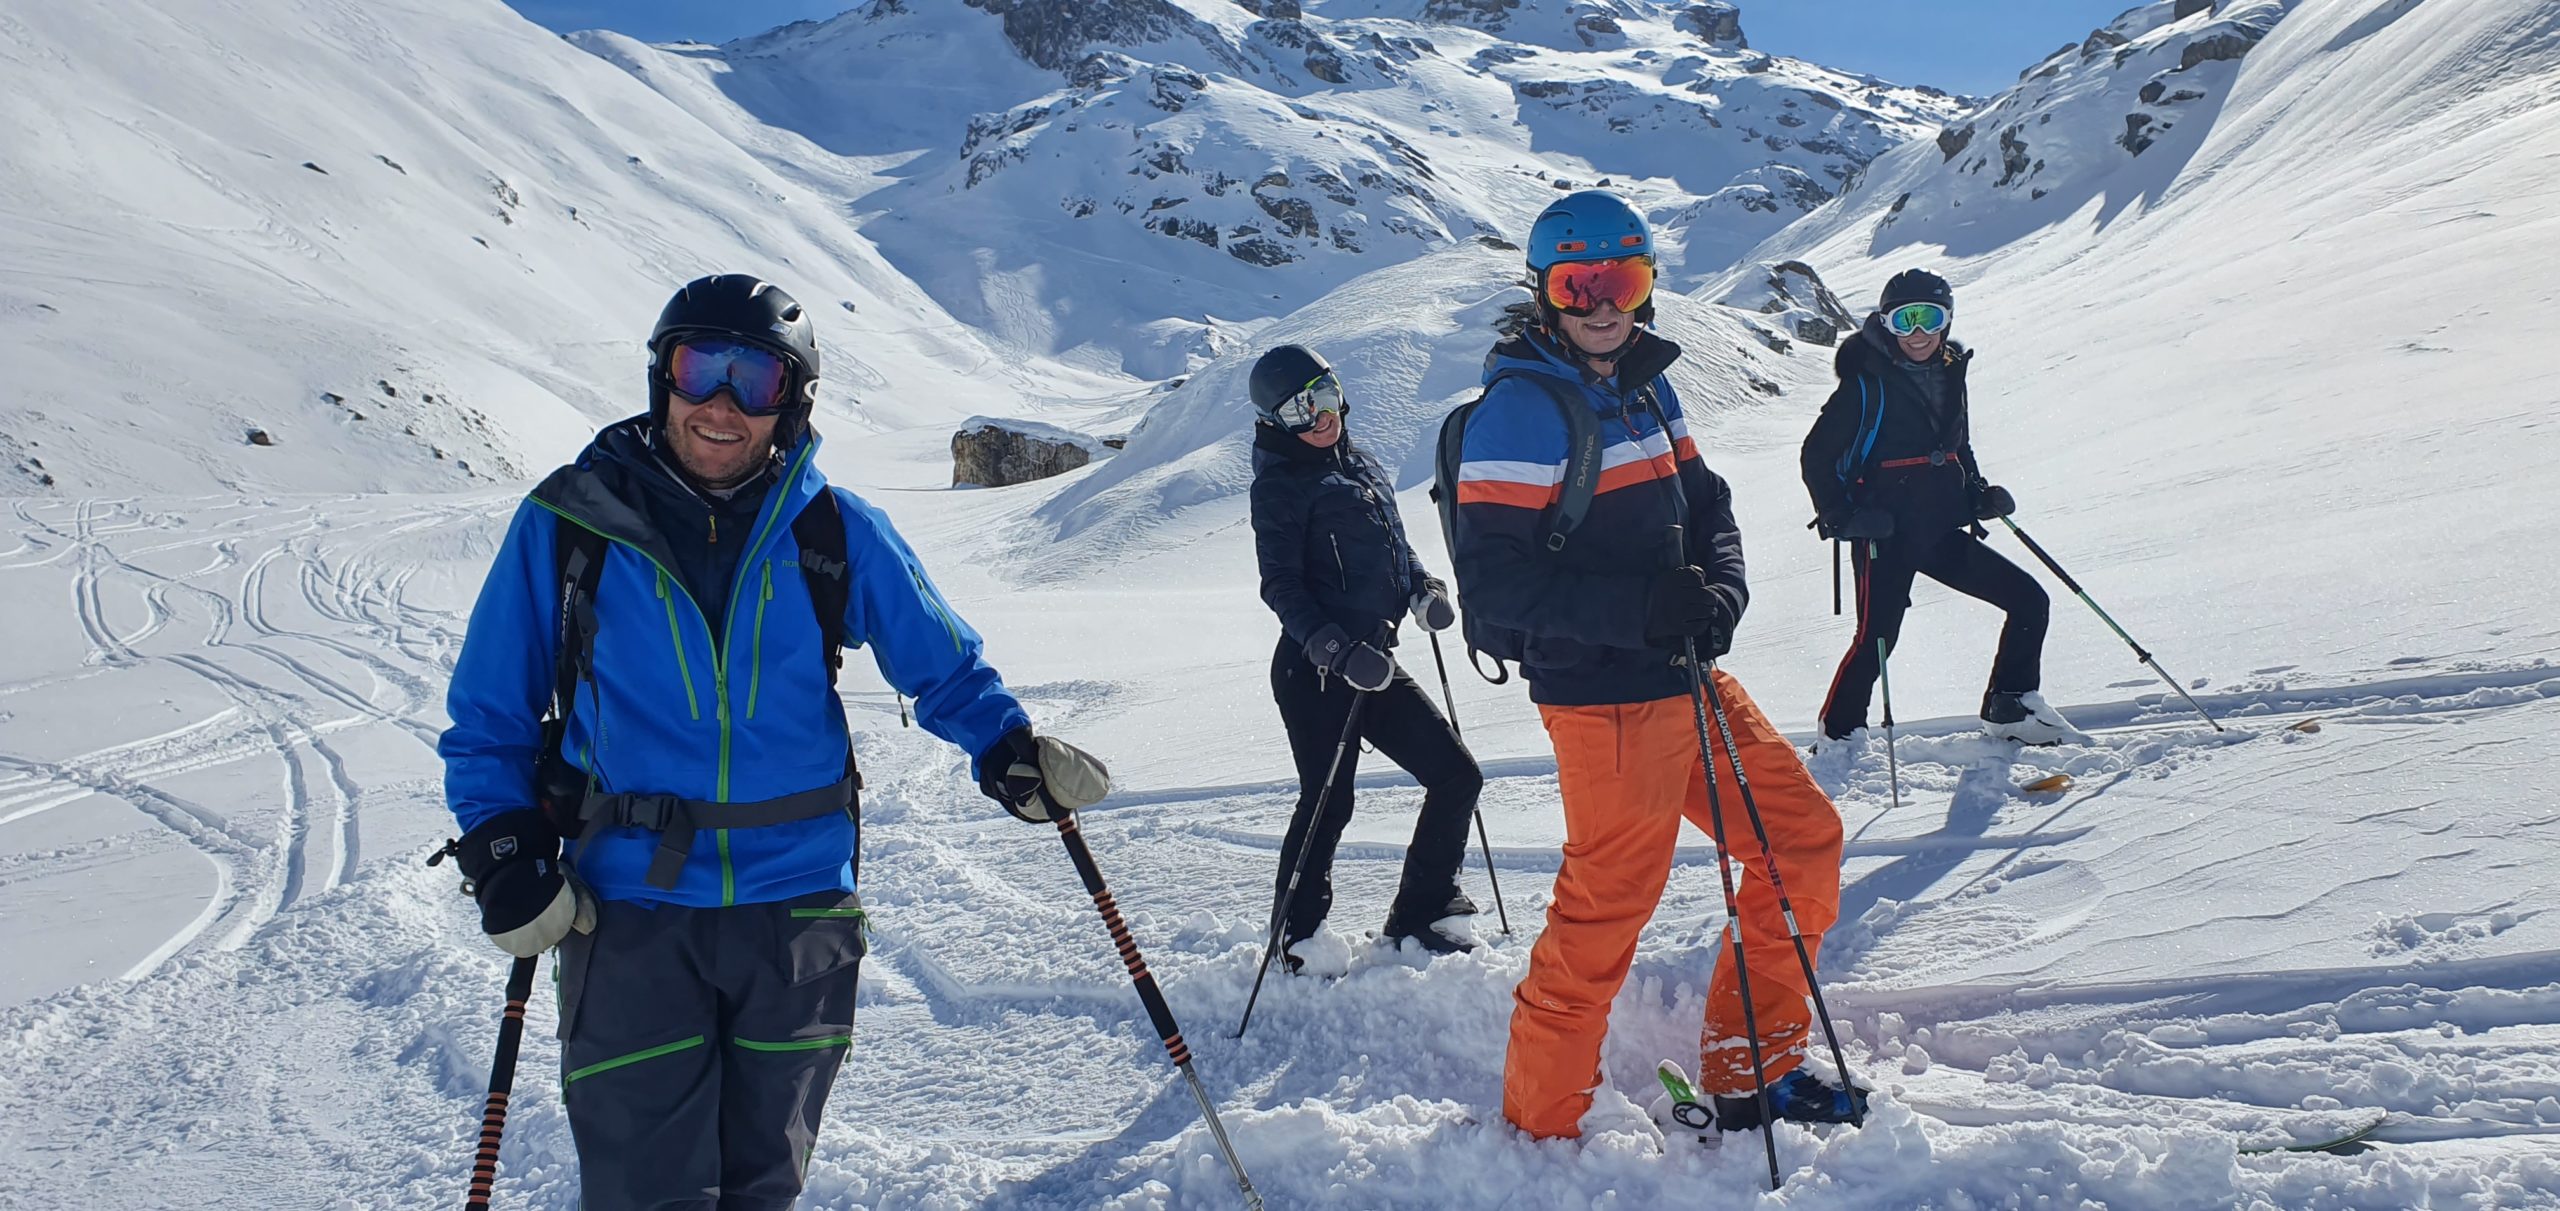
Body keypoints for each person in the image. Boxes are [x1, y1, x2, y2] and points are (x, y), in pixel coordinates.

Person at [437, 273, 1107, 1210]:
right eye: (697, 367)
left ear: (789, 401)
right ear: (659, 378)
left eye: (753, 379)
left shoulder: (832, 528)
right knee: (643, 1194)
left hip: (797, 917)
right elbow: (489, 717)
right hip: (630, 913)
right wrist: (503, 846)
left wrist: (1007, 747)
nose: (720, 403)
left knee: (764, 1187)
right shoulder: (569, 525)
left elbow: (943, 666)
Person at [1447, 191, 1862, 1138]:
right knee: (1605, 916)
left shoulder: (1645, 381)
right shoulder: (1519, 413)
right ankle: (1540, 1133)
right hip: (1607, 704)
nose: (1602, 304)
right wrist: (1644, 610)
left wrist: (1721, 592)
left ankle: (1749, 1069)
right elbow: (1497, 591)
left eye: (1622, 281)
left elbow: (1708, 503)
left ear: (1646, 287)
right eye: (1578, 283)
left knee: (1800, 844)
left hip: (1687, 677)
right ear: (1544, 292)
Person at [1247, 343, 1486, 966]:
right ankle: (1295, 938)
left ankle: (1422, 913)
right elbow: (1282, 586)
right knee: (1329, 800)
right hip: (1315, 671)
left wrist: (1421, 588)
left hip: (1376, 664)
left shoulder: (1362, 463)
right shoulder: (1279, 485)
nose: (1320, 415)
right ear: (1277, 421)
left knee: (1457, 776)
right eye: (1301, 409)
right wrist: (1334, 648)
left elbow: (1393, 549)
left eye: (1323, 394)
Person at [1800, 269, 2081, 745]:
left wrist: (1978, 492)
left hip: (1937, 529)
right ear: (1885, 323)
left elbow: (1956, 447)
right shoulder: (1864, 384)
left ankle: (2010, 706)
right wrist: (1842, 516)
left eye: (1928, 318)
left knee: (2029, 599)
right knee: (1877, 638)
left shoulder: (1952, 372)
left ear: (1946, 321)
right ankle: (1839, 734)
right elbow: (1816, 455)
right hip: (1882, 535)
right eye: (1904, 319)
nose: (1917, 333)